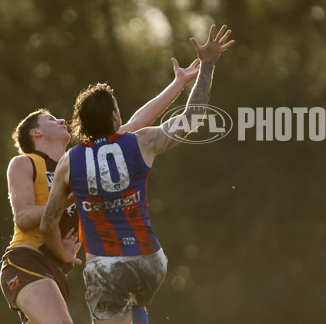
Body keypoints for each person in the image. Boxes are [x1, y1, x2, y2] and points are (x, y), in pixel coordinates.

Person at [40, 24, 234, 324]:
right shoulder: (141, 141)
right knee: (133, 304)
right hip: (149, 261)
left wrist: (60, 254)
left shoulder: (70, 160)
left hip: (106, 266)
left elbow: (48, 222)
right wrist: (208, 64)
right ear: (115, 117)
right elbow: (193, 116)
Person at [0, 57, 201, 324]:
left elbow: (135, 123)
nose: (61, 119)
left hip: (57, 269)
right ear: (35, 134)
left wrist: (178, 84)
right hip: (27, 262)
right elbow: (23, 218)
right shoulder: (25, 162)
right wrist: (74, 196)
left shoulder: (79, 160)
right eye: (49, 119)